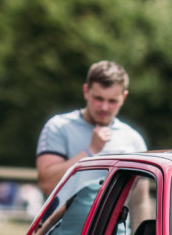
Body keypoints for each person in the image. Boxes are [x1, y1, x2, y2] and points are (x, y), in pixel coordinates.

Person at [35, 60, 146, 197]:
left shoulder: (133, 139)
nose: (104, 107)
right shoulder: (59, 127)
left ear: (123, 98)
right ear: (86, 91)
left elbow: (139, 201)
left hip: (120, 220)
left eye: (112, 101)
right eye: (98, 99)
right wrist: (91, 150)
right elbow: (47, 185)